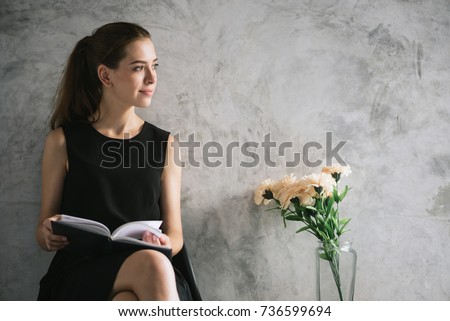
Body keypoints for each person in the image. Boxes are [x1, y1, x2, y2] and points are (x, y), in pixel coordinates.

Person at [35, 22, 191, 300]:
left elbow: (175, 232)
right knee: (151, 265)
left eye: (154, 66)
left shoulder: (165, 144)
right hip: (81, 272)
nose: (152, 78)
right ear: (105, 75)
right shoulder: (62, 141)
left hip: (152, 271)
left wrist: (165, 242)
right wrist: (47, 234)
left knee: (127, 299)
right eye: (138, 68)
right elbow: (43, 226)